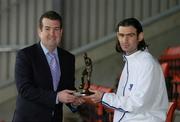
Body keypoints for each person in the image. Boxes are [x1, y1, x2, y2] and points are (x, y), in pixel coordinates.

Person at [87, 18, 168, 122]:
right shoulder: (131, 60)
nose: (125, 40)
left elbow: (137, 103)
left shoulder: (147, 63)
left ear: (140, 36)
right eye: (121, 35)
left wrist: (103, 97)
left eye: (130, 35)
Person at [12, 11, 84, 122]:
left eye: (56, 29)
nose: (52, 33)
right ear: (39, 31)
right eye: (47, 29)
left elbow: (67, 87)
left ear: (61, 32)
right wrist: (56, 97)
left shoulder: (68, 58)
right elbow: (25, 89)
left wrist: (73, 100)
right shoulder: (25, 55)